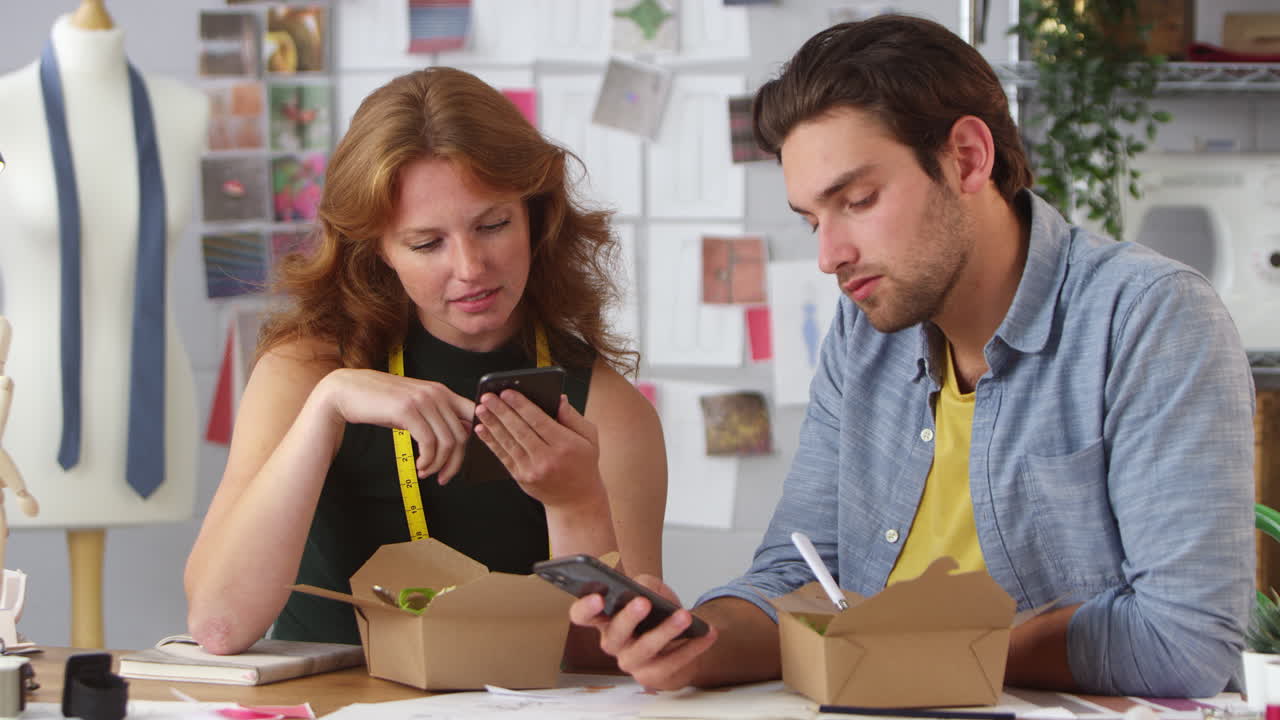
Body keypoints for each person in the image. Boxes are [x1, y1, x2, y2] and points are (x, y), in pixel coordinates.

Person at [570, 14, 1255, 697]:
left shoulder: (1149, 318)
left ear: (967, 158)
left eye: (858, 200)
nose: (828, 255)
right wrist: (698, 644)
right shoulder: (865, 332)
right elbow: (794, 578)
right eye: (813, 219)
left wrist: (916, 653)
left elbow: (1183, 641)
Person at [185, 67, 668, 661]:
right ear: (377, 250)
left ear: (535, 216)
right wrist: (326, 409)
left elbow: (615, 662)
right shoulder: (304, 371)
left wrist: (576, 504)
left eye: (493, 225)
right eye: (426, 243)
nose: (470, 267)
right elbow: (218, 624)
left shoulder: (606, 406)